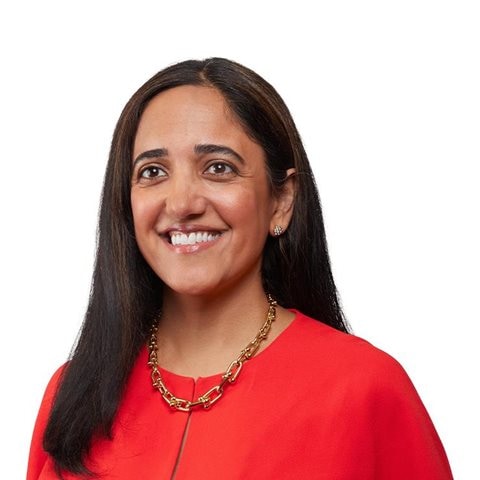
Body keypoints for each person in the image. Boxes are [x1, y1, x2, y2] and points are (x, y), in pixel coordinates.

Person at [27, 58, 453, 479]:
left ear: (282, 200)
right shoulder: (73, 393)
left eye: (219, 168)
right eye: (152, 172)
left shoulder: (365, 389)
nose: (182, 204)